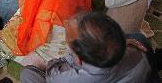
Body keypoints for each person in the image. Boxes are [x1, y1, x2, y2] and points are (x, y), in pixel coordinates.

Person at [20, 12, 154, 83]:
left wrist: (50, 63)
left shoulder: (65, 77)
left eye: (70, 42)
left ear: (78, 58)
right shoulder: (140, 51)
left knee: (28, 72)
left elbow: (52, 68)